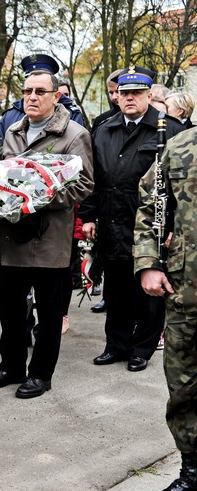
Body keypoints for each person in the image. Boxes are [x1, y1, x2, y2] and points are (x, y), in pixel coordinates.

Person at [0, 68, 94, 398]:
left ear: (56, 96)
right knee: (10, 306)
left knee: (48, 309)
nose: (31, 97)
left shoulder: (73, 134)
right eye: (27, 90)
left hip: (48, 237)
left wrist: (37, 198)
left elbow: (84, 184)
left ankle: (41, 374)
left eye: (40, 91)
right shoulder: (13, 130)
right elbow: (2, 172)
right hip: (12, 234)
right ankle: (11, 366)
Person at [80, 66, 183, 372]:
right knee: (115, 288)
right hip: (111, 219)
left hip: (150, 225)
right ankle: (116, 344)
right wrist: (88, 216)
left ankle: (142, 348)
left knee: (148, 291)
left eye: (136, 93)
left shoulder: (170, 130)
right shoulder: (104, 129)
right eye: (124, 93)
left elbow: (179, 184)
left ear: (149, 95)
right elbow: (93, 177)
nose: (129, 99)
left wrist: (175, 227)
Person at [136, 125, 197, 491]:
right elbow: (149, 206)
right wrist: (148, 264)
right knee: (184, 386)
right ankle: (194, 474)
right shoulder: (179, 146)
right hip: (186, 292)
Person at [0, 54, 84, 145]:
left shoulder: (71, 114)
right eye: (28, 90)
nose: (33, 97)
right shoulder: (9, 116)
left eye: (40, 91)